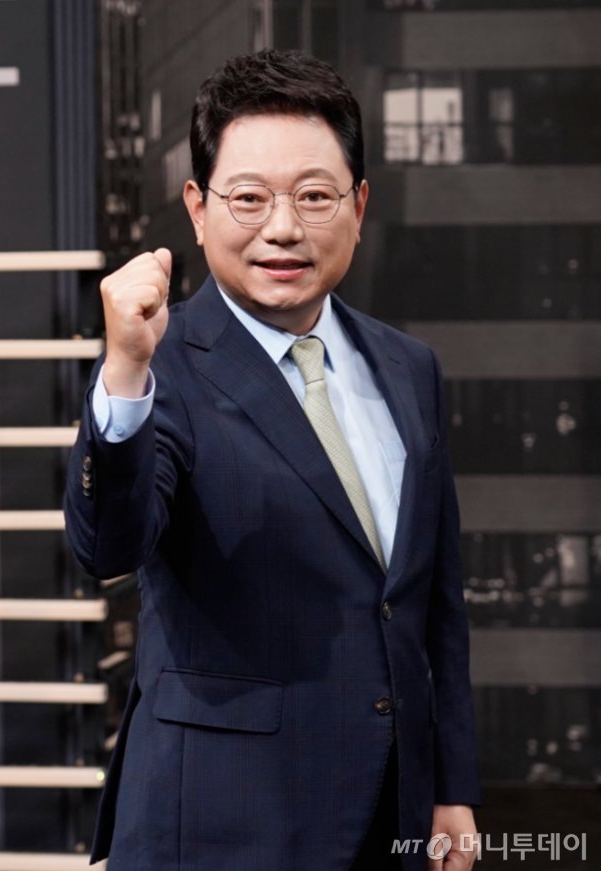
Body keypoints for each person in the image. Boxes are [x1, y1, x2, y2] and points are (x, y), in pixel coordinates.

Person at [65, 49, 480, 871]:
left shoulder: (409, 367)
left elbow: (433, 603)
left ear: (358, 205)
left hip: (390, 813)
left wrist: (449, 788)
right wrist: (125, 369)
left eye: (314, 196)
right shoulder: (161, 363)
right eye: (249, 197)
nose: (283, 228)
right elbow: (106, 545)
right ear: (197, 208)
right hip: (218, 821)